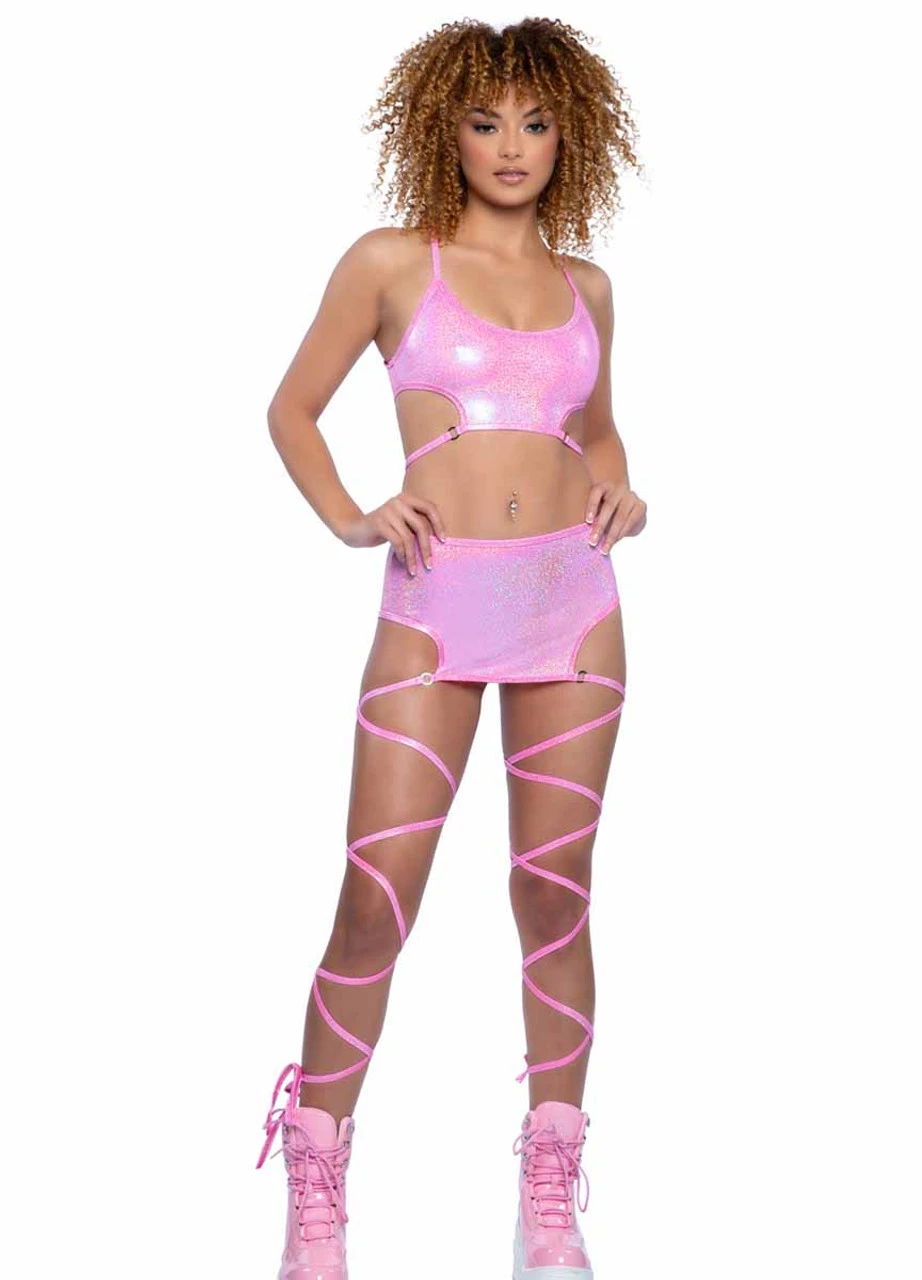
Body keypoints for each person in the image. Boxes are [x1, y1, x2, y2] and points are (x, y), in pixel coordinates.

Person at [255, 17, 647, 1279]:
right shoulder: (391, 263)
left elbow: (595, 430)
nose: (511, 146)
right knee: (376, 899)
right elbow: (292, 407)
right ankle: (316, 1192)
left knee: (554, 890)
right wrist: (348, 513)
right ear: (446, 130)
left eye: (535, 121)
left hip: (572, 603)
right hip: (435, 603)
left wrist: (623, 486)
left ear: (570, 134)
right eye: (486, 121)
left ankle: (548, 1196)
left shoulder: (587, 287)